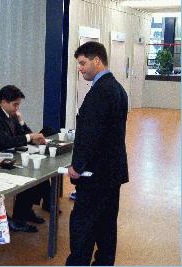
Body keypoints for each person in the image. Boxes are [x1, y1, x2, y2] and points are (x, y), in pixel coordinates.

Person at [66, 41, 128, 266]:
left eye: (83, 63)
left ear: (97, 61)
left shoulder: (100, 93)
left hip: (96, 175)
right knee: (106, 226)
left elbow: (91, 136)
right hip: (112, 173)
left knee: (83, 227)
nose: (80, 68)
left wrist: (76, 167)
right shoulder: (118, 89)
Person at [0, 85, 50, 233]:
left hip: (12, 155)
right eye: (15, 104)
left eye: (18, 104)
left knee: (39, 175)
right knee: (28, 177)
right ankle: (19, 219)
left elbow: (25, 135)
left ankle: (25, 211)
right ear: (3, 102)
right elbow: (4, 142)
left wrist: (21, 123)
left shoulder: (12, 115)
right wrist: (28, 137)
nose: (17, 108)